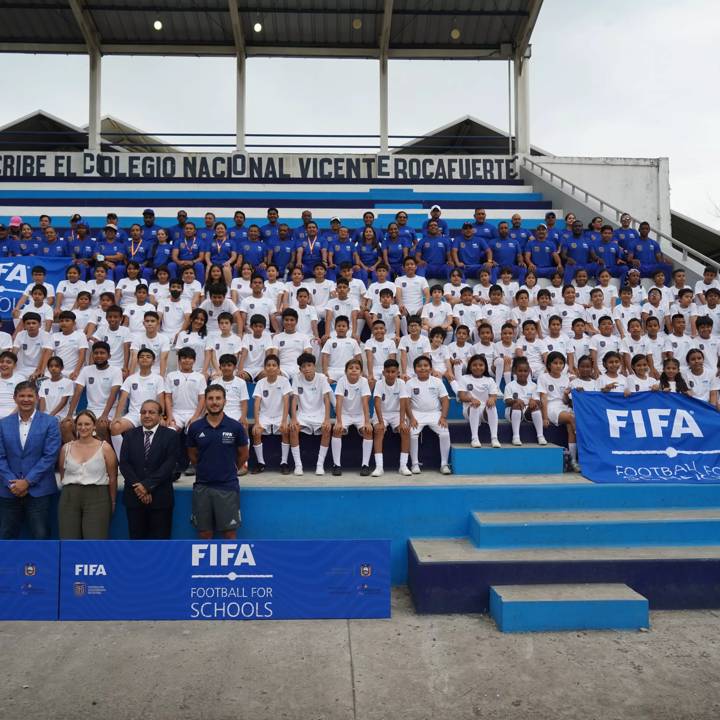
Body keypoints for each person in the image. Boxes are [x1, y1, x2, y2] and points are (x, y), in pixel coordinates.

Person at [0, 381, 62, 539]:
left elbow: (50, 456)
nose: (26, 399)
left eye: (30, 395)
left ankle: (43, 565)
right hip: (9, 489)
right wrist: (12, 482)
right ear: (15, 398)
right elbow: (0, 457)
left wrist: (27, 482)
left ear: (37, 398)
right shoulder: (3, 424)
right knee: (5, 535)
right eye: (22, 396)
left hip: (39, 490)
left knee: (40, 535)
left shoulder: (50, 422)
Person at [186, 385, 250, 539]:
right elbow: (193, 456)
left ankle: (229, 564)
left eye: (218, 398)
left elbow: (243, 454)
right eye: (210, 398)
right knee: (204, 533)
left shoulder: (235, 427)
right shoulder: (195, 427)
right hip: (202, 486)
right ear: (205, 401)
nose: (214, 402)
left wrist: (231, 468)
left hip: (227, 486)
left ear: (225, 401)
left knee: (229, 533)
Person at [119, 399, 180, 539]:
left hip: (160, 499)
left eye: (151, 412)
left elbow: (169, 464)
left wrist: (147, 486)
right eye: (143, 412)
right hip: (135, 498)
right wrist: (139, 488)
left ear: (160, 416)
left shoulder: (170, 436)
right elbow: (124, 464)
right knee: (136, 543)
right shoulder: (129, 435)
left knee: (160, 545)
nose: (147, 415)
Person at [57, 410, 117, 540]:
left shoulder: (105, 448)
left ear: (94, 426)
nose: (83, 428)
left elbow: (113, 477)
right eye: (80, 424)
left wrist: (112, 502)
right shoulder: (66, 448)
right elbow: (63, 473)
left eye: (87, 424)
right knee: (69, 540)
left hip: (97, 497)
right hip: (69, 497)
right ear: (75, 426)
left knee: (95, 541)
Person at [405, 355, 452, 475]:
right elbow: (406, 402)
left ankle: (444, 464)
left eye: (426, 366)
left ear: (431, 368)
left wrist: (443, 417)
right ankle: (415, 464)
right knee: (412, 433)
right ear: (415, 369)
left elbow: (445, 400)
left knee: (445, 432)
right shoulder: (410, 383)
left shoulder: (437, 381)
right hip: (416, 413)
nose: (423, 368)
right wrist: (411, 418)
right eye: (419, 366)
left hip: (435, 413)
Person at [372, 359, 412, 476]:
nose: (390, 374)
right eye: (388, 372)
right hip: (381, 414)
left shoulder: (401, 383)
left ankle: (403, 466)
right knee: (379, 431)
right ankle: (379, 467)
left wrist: (402, 422)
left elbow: (403, 403)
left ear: (397, 372)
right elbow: (377, 403)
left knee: (405, 431)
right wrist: (380, 422)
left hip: (396, 413)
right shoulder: (379, 383)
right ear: (383, 372)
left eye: (393, 372)